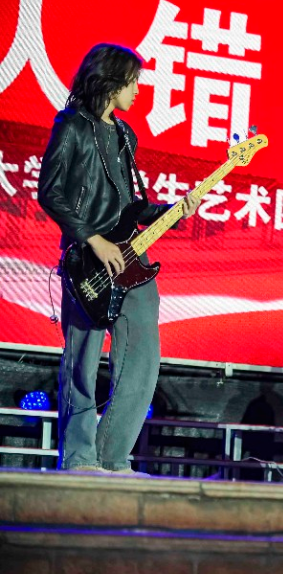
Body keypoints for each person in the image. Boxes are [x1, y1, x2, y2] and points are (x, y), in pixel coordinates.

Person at [37, 43, 199, 473]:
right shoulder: (71, 126)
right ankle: (79, 458)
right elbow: (50, 192)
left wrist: (172, 211)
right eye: (133, 82)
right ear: (111, 82)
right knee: (82, 363)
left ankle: (111, 456)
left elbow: (131, 206)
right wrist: (94, 240)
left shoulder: (126, 135)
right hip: (88, 262)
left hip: (131, 261)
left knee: (142, 362)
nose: (137, 91)